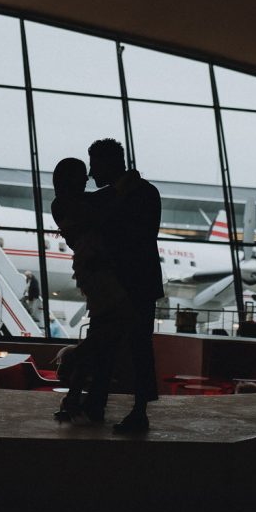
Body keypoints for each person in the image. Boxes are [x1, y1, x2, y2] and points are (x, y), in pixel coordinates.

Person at [85, 138, 164, 434]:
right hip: (140, 285)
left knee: (113, 347)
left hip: (122, 286)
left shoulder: (112, 198)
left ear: (108, 163)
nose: (92, 173)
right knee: (138, 348)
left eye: (94, 164)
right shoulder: (147, 193)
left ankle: (98, 402)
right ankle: (137, 409)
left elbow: (114, 229)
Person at [49, 157, 133, 424]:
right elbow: (98, 211)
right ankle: (75, 366)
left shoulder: (62, 203)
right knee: (109, 328)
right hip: (97, 271)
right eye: (81, 175)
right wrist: (122, 187)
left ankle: (74, 394)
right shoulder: (73, 204)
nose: (86, 179)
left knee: (103, 328)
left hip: (91, 270)